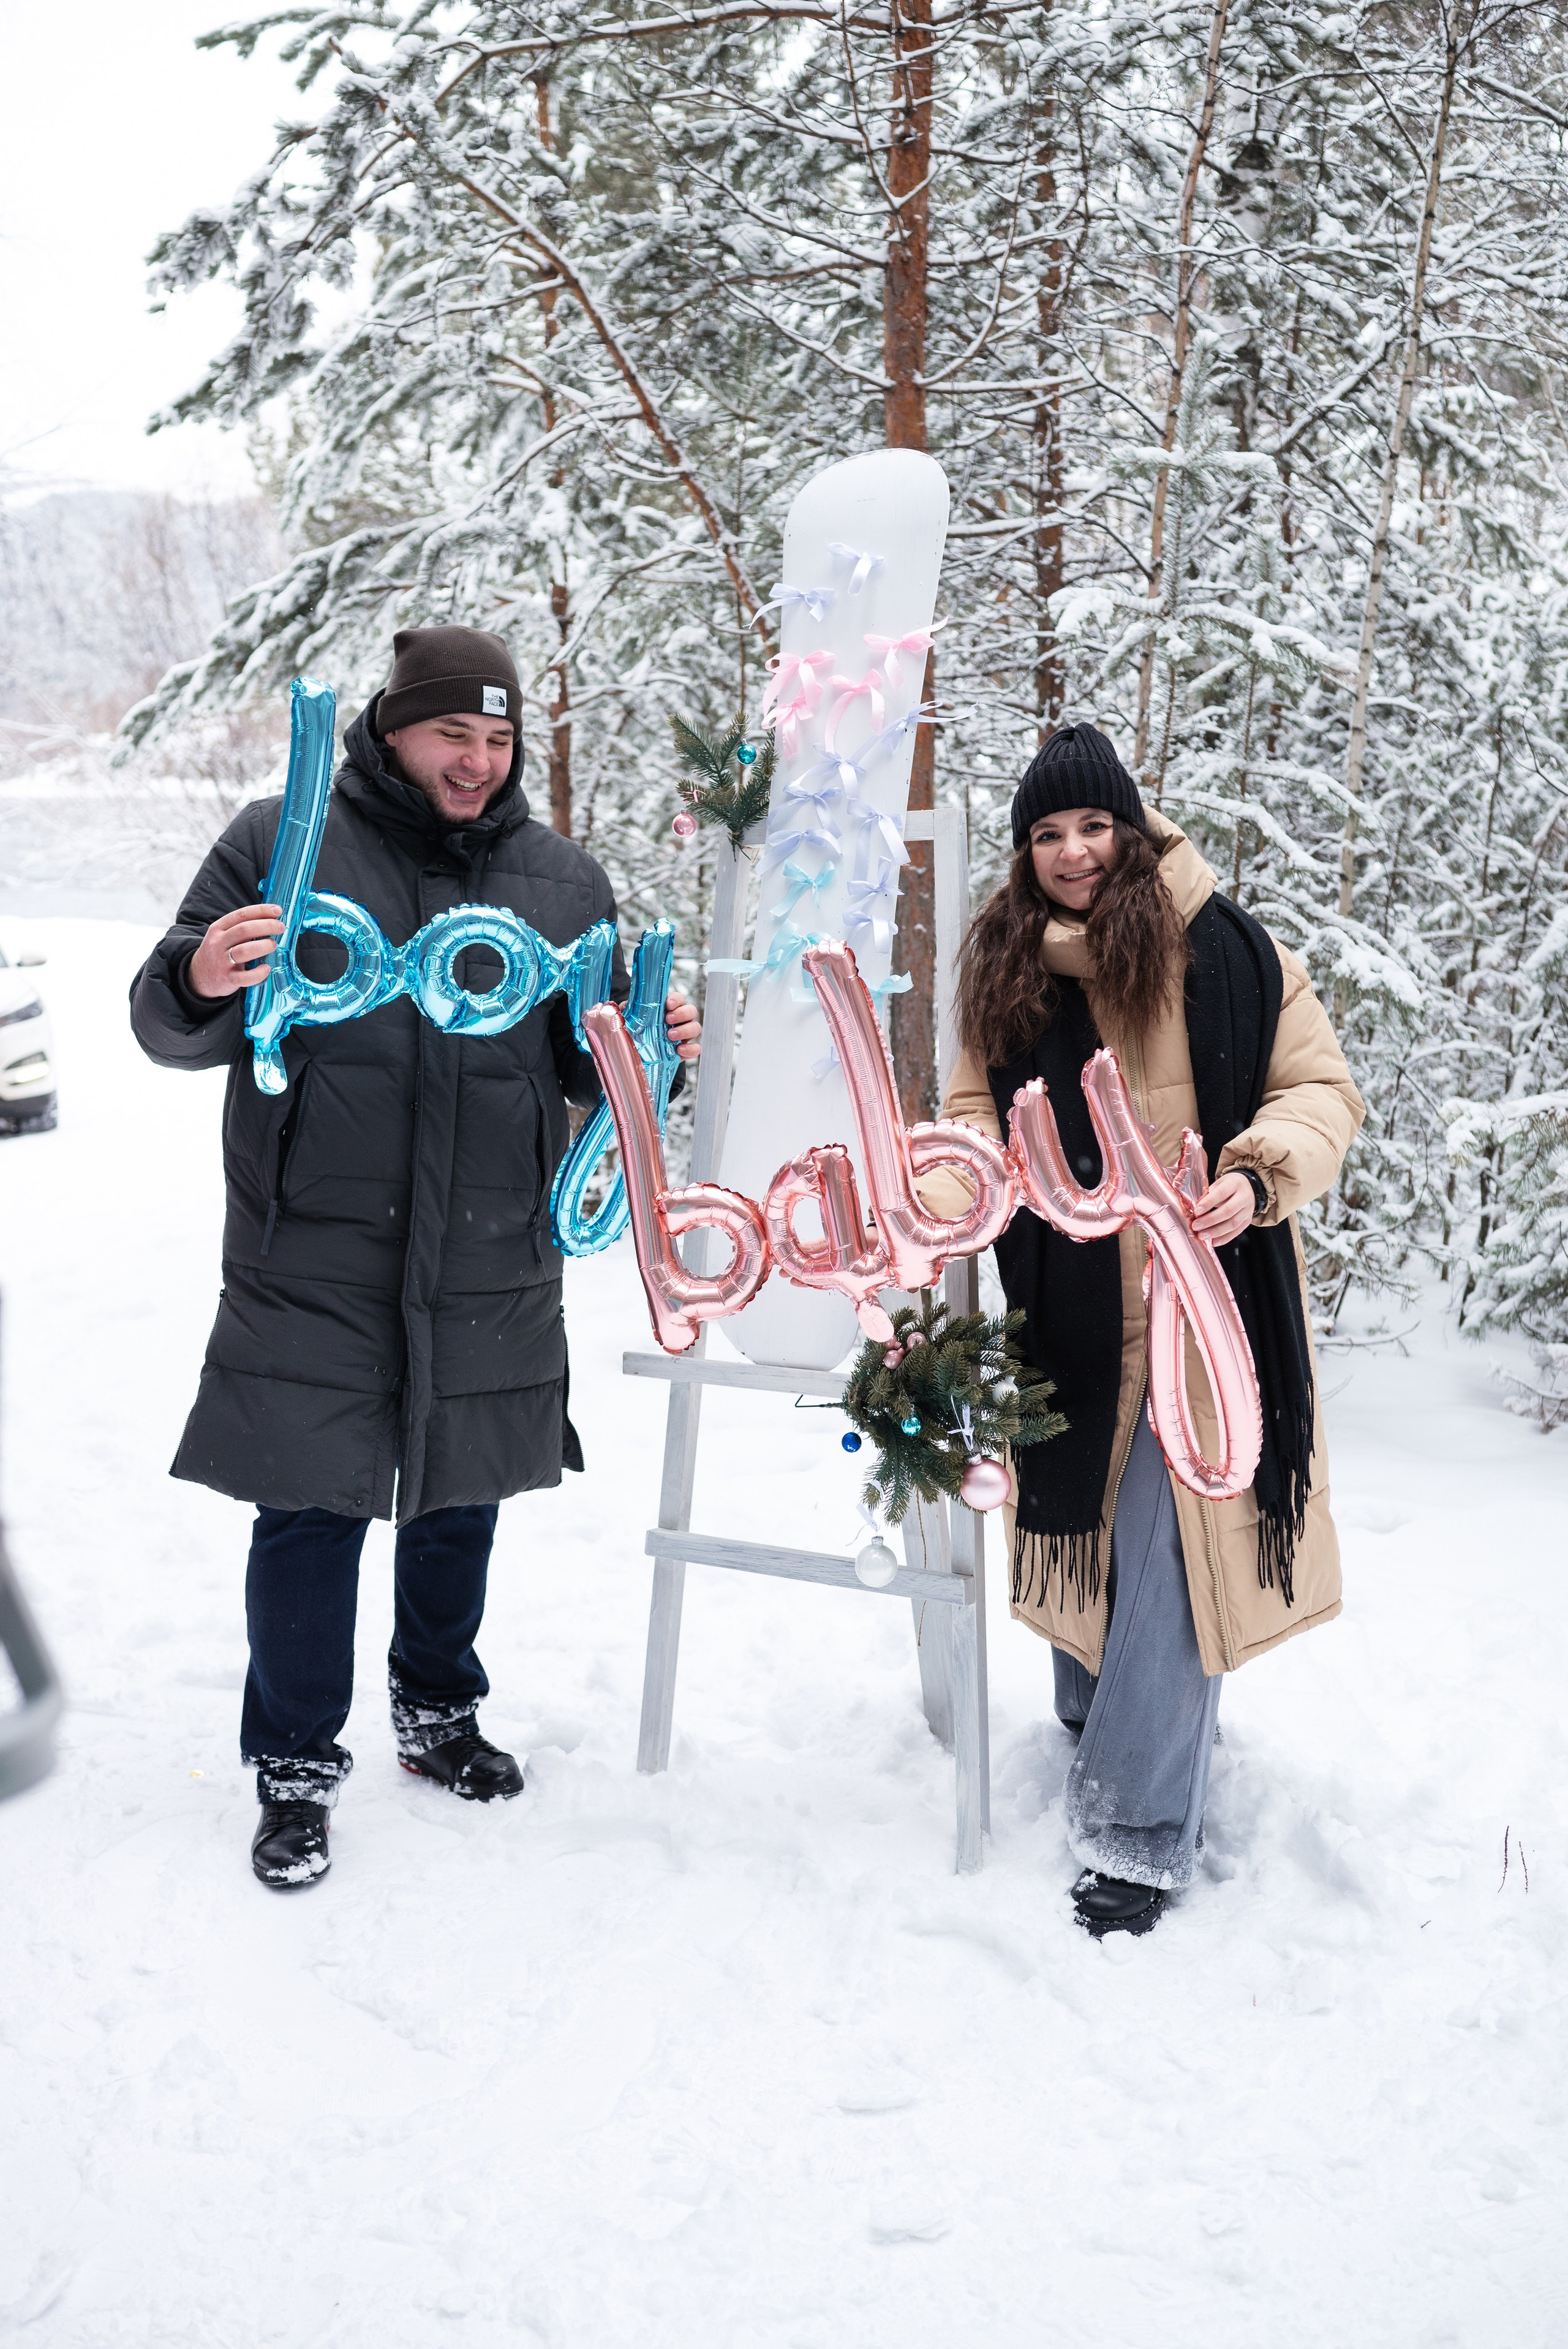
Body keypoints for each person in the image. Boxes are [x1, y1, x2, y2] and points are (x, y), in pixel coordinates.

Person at [130, 626, 700, 1890]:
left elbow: (575, 1063)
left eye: (498, 742)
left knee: (458, 1495)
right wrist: (197, 973)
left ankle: (437, 1711)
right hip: (313, 1245)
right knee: (311, 1502)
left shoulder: (560, 880)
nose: (479, 763)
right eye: (456, 734)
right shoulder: (282, 841)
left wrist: (648, 1042)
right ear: (392, 725)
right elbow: (165, 1020)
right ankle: (292, 1766)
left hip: (491, 1241)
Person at [929, 723, 1363, 1938]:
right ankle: (1099, 1715)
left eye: (1091, 825)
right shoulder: (1005, 966)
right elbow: (970, 1122)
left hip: (1204, 1317)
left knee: (1173, 1564)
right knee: (1091, 1539)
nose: (1072, 852)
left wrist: (1259, 1170)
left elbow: (1318, 1088)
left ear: (1129, 825)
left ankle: (1134, 1828)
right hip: (1066, 1314)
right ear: (1026, 854)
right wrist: (947, 1196)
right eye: (1046, 834)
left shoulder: (1223, 949)